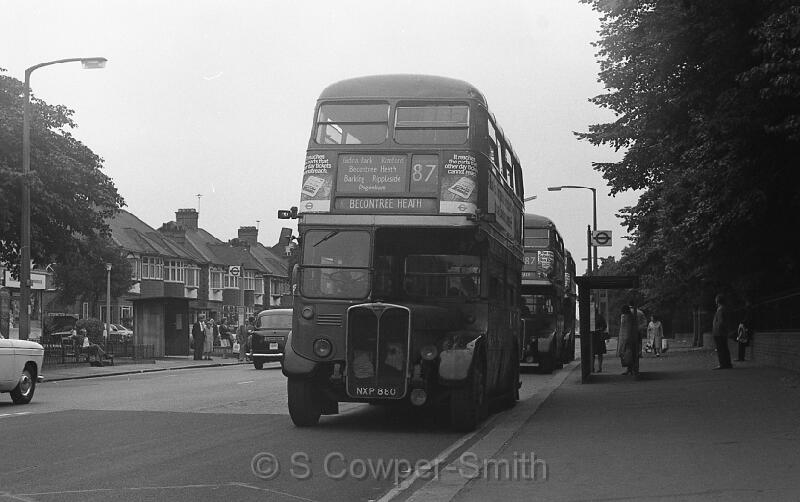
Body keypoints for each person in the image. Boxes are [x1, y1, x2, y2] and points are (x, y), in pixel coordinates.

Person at [711, 293, 733, 369]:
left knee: (720, 349)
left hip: (719, 333)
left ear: (717, 301)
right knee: (725, 348)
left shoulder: (720, 310)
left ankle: (722, 364)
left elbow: (720, 321)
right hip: (722, 332)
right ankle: (728, 363)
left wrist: (717, 329)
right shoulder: (724, 308)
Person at [617, 306, 638, 376]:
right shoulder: (630, 316)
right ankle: (630, 369)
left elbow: (626, 329)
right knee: (629, 353)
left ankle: (630, 369)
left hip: (626, 338)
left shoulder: (626, 317)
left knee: (627, 353)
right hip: (629, 337)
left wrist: (625, 339)